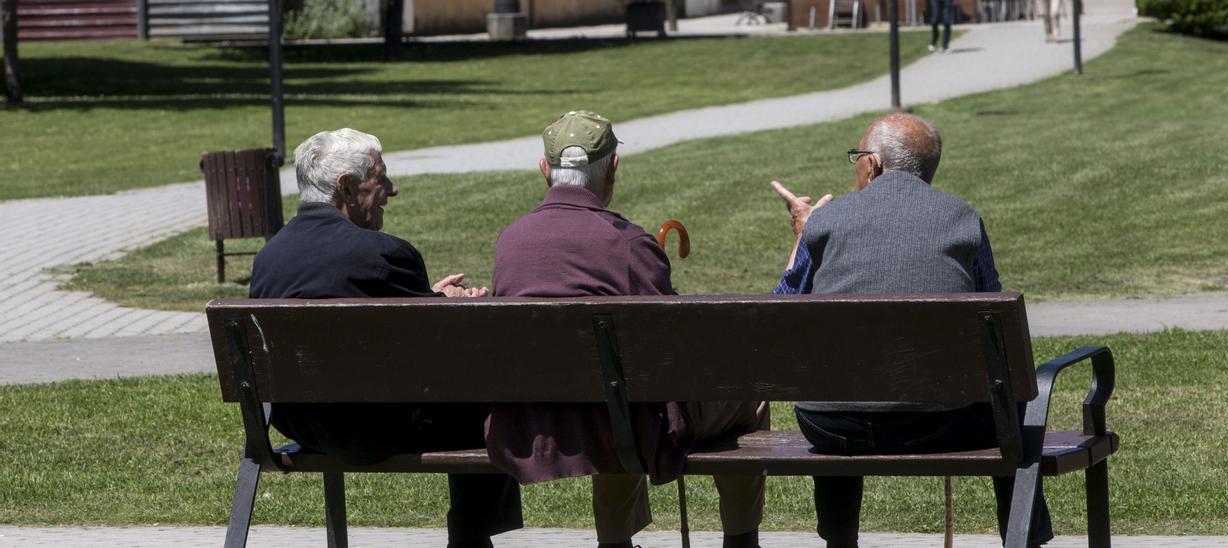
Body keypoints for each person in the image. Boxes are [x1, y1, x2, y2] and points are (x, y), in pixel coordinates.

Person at [485, 111, 770, 548]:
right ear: (613, 167)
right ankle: (741, 538)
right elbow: (673, 351)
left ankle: (614, 543)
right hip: (623, 422)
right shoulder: (629, 245)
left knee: (615, 401)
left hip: (538, 420)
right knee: (748, 392)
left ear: (545, 169)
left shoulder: (510, 242)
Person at [769, 113, 1053, 548]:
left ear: (875, 163)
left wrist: (802, 236)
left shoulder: (825, 222)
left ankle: (839, 539)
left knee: (841, 376)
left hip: (831, 426)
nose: (855, 167)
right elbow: (991, 317)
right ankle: (1023, 539)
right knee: (1010, 405)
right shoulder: (963, 217)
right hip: (945, 423)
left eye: (856, 158)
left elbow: (778, 315)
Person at [250, 128, 521, 548]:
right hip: (369, 428)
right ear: (346, 187)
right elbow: (441, 350)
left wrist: (428, 297)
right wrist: (445, 304)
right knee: (486, 401)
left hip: (299, 421)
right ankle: (470, 538)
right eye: (381, 178)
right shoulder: (385, 255)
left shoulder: (269, 258)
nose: (392, 190)